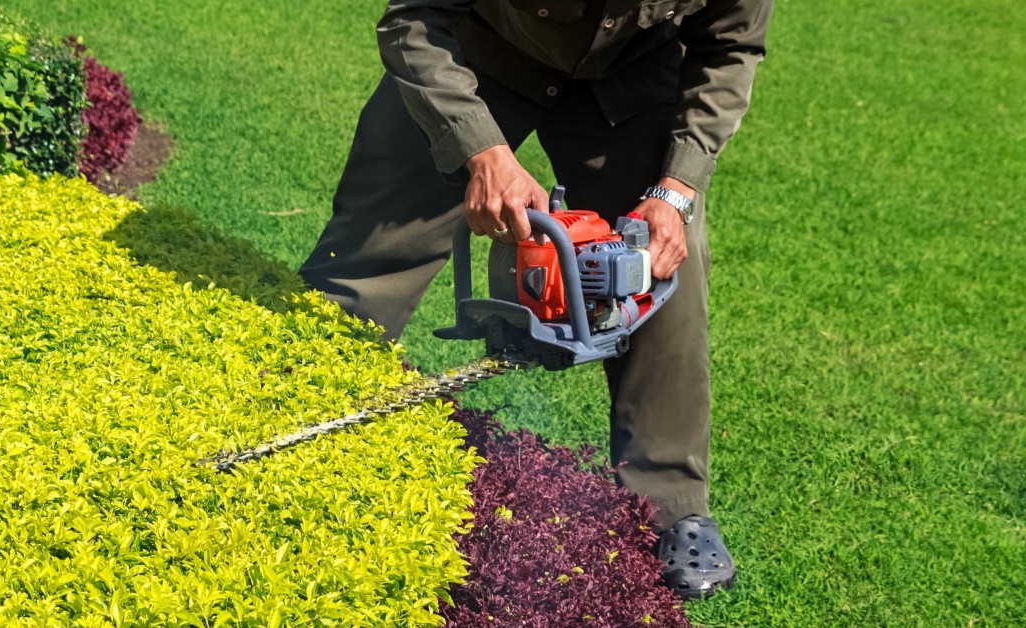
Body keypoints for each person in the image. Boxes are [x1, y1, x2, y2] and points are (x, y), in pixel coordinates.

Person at [299, 0, 773, 600]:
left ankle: (673, 504)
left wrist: (675, 189)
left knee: (654, 260)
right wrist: (480, 150)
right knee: (368, 252)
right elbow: (412, 18)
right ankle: (298, 404)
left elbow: (731, 48)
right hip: (477, 52)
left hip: (629, 73)